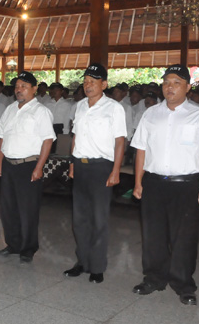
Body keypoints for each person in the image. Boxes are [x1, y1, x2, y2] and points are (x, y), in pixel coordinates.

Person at [130, 64, 199, 306]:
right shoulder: (150, 114)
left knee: (185, 237)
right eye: (166, 82)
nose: (170, 87)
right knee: (153, 235)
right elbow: (141, 150)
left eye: (176, 82)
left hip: (187, 185)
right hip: (154, 183)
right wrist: (138, 182)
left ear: (188, 87)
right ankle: (153, 278)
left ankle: (184, 284)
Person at [65, 63, 126, 284]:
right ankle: (82, 261)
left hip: (102, 167)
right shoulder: (80, 106)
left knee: (99, 219)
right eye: (86, 81)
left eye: (93, 81)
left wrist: (116, 170)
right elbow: (75, 137)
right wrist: (72, 164)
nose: (88, 85)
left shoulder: (113, 108)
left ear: (104, 84)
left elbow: (120, 141)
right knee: (80, 219)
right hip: (80, 166)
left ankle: (97, 267)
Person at [0, 71, 55, 263]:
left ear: (34, 89)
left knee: (27, 209)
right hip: (9, 164)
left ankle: (28, 247)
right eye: (17, 86)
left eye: (24, 86)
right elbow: (2, 136)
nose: (19, 90)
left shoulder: (41, 112)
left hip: (28, 165)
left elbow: (47, 141)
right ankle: (13, 244)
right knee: (8, 208)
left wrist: (39, 167)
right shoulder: (10, 108)